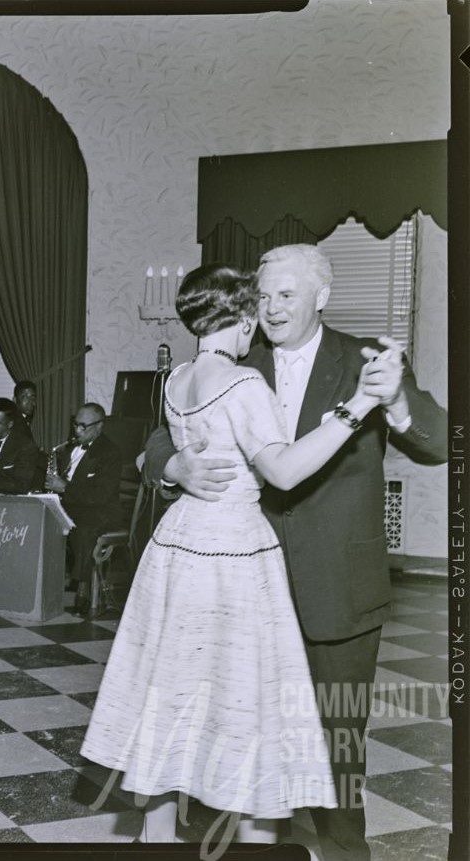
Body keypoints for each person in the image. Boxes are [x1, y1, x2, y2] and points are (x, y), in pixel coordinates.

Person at [80, 262, 402, 849]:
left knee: (171, 697)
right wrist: (356, 407)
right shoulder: (245, 383)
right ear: (245, 315)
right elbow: (281, 470)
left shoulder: (177, 379)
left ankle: (155, 837)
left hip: (178, 549)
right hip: (233, 556)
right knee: (251, 709)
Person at [142, 247, 446, 860]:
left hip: (338, 581)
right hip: (244, 581)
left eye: (286, 295)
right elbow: (155, 440)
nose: (271, 308)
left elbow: (441, 440)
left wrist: (395, 403)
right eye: (264, 295)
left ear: (321, 297)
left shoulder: (364, 359)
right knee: (236, 722)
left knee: (338, 733)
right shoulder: (236, 357)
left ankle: (340, 846)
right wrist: (175, 465)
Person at [44, 402, 122, 616]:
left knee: (85, 526)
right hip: (71, 505)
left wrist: (64, 487)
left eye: (83, 426)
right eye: (75, 425)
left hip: (100, 510)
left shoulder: (110, 453)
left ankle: (84, 588)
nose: (77, 431)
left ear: (99, 426)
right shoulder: (68, 448)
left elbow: (99, 495)